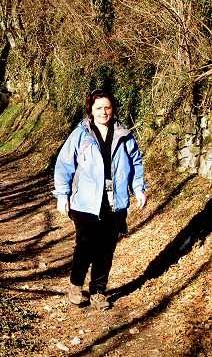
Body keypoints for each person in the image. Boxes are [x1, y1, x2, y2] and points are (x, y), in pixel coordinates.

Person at [53, 89, 147, 310]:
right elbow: (64, 165)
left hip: (115, 203)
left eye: (107, 107)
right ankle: (75, 287)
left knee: (106, 250)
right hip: (85, 203)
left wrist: (138, 189)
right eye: (98, 108)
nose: (103, 112)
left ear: (112, 109)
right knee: (85, 247)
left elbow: (136, 163)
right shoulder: (80, 135)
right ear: (91, 110)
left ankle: (98, 292)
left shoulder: (124, 135)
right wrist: (62, 194)